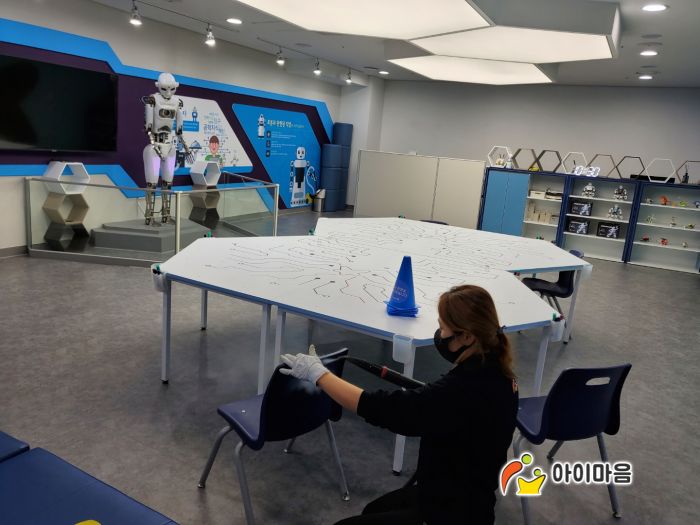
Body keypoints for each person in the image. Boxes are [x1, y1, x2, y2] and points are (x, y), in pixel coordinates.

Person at [280, 284, 519, 525]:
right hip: (457, 491)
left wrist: (320, 375)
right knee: (374, 509)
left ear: (467, 336)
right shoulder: (498, 371)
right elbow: (448, 408)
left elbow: (382, 408)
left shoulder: (463, 388)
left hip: (451, 513)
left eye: (444, 328)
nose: (440, 334)